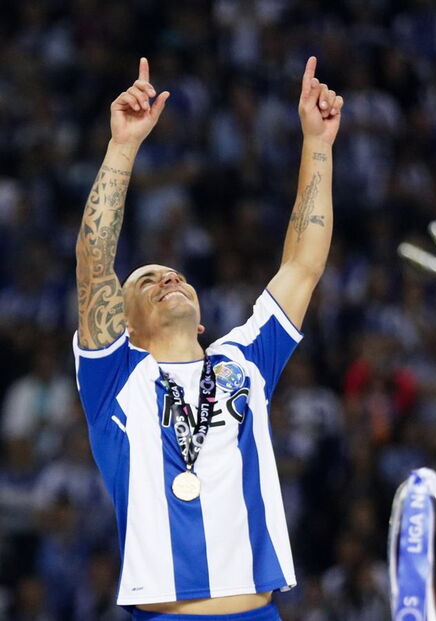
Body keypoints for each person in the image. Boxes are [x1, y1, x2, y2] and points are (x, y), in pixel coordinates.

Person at [72, 57, 342, 620]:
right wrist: (122, 146)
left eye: (176, 274)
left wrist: (317, 144)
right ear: (125, 325)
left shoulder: (245, 359)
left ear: (200, 320)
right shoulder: (115, 380)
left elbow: (302, 265)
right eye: (147, 280)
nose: (167, 276)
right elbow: (96, 263)